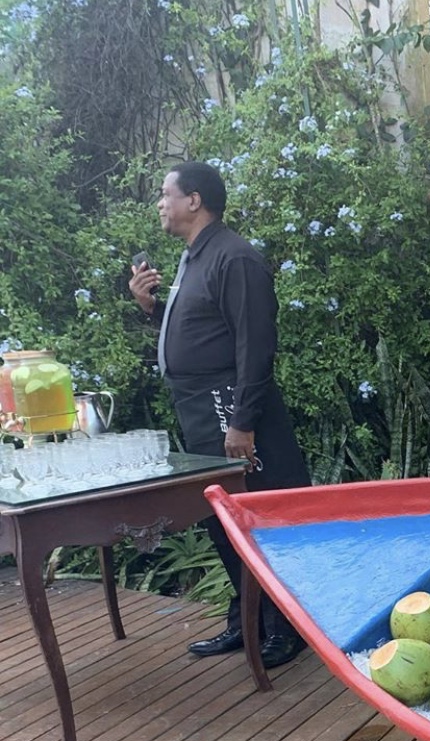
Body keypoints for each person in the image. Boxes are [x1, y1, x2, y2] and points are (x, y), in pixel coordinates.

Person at [128, 161, 310, 669]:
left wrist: (242, 421)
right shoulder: (196, 256)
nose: (160, 203)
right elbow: (202, 332)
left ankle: (287, 630)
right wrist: (151, 310)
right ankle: (249, 620)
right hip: (202, 412)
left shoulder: (236, 257)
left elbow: (256, 345)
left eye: (166, 194)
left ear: (194, 200)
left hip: (232, 409)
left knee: (258, 520)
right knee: (223, 520)